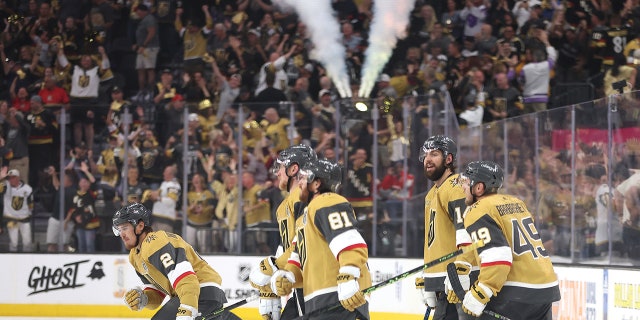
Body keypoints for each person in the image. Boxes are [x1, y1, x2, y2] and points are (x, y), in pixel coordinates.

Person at [449, 161, 560, 319]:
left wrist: (481, 293)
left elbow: (498, 257)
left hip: (516, 293)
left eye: (466, 183)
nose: (463, 188)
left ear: (479, 188)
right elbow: (480, 243)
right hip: (545, 288)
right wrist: (462, 265)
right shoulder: (516, 203)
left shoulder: (478, 209)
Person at [270, 158, 371, 319]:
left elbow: (349, 241)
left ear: (316, 184)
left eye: (303, 178)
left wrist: (348, 273)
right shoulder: (307, 214)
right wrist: (288, 276)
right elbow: (299, 257)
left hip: (339, 298)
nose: (300, 183)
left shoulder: (327, 201)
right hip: (321, 301)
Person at [113, 203, 241, 320]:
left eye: (125, 228)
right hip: (194, 296)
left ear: (140, 226)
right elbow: (158, 292)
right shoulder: (135, 256)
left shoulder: (155, 242)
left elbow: (186, 278)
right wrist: (144, 298)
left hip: (200, 293)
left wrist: (187, 308)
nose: (122, 234)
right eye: (119, 230)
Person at [248, 144, 316, 319]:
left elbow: (304, 241)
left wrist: (271, 266)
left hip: (316, 285)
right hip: (302, 285)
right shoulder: (284, 205)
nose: (277, 172)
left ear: (294, 169)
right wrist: (271, 285)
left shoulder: (305, 198)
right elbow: (286, 245)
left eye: (280, 167)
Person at [415, 135, 473, 320]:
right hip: (442, 281)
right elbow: (433, 239)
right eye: (425, 155)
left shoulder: (456, 186)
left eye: (434, 154)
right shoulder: (431, 194)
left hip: (457, 281)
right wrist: (428, 276)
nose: (428, 159)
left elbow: (466, 231)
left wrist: (462, 269)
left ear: (448, 159)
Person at [0, 168, 34, 252]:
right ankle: (13, 261)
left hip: (24, 218)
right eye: (10, 178)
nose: (11, 180)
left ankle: (27, 260)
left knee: (27, 242)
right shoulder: (5, 186)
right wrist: (0, 178)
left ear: (18, 177)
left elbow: (31, 204)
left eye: (13, 177)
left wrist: (29, 212)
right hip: (11, 218)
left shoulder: (27, 189)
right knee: (13, 243)